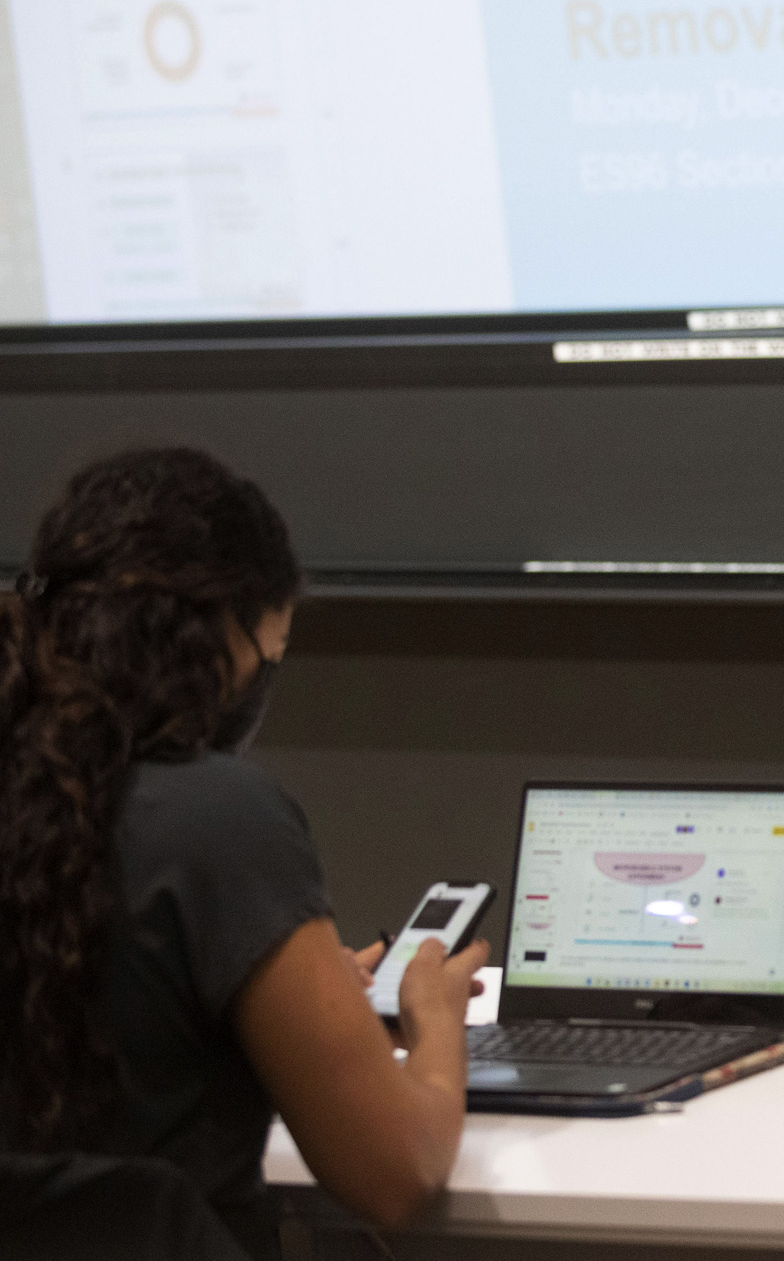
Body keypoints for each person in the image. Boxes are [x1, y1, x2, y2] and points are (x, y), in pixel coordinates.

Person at [0, 448, 486, 1257]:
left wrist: (278, 988)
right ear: (219, 637)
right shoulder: (219, 819)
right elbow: (393, 1175)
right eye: (271, 655)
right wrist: (435, 1027)